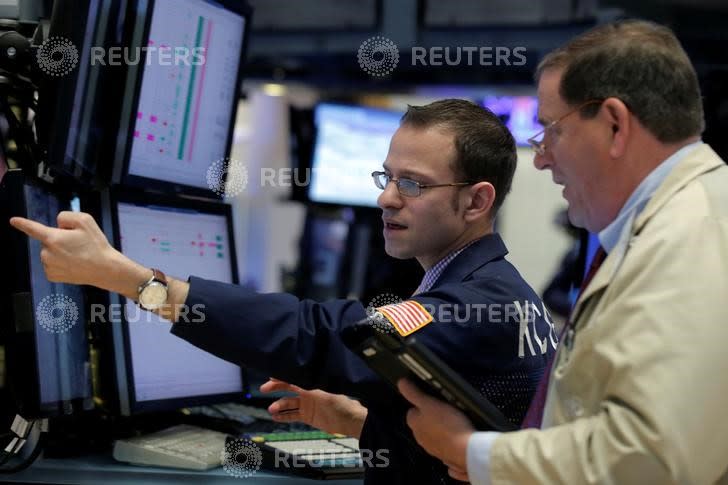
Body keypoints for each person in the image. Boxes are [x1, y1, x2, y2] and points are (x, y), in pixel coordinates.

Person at [10, 99, 558, 484]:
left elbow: (319, 336)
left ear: (477, 202)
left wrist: (127, 279)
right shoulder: (501, 291)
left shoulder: (475, 307)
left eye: (412, 183)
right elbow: (462, 436)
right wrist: (360, 423)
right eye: (385, 177)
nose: (387, 199)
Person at [392, 20, 728, 485]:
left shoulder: (692, 236)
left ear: (614, 124)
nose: (543, 156)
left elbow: (655, 457)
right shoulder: (666, 229)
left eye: (551, 130)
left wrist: (474, 454)